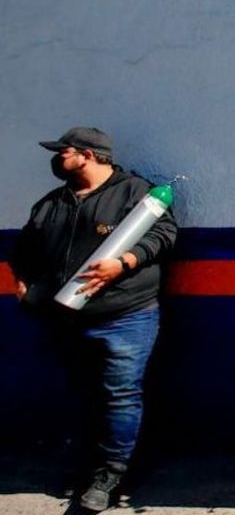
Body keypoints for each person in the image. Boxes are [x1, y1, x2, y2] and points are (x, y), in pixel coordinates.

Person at [10, 126, 177, 512]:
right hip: (66, 319)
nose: (56, 159)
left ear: (86, 154)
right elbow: (24, 250)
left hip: (125, 316)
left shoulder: (134, 193)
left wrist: (123, 263)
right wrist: (23, 286)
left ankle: (112, 473)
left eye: (62, 151)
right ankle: (89, 464)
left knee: (120, 394)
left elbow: (165, 233)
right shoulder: (53, 203)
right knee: (85, 395)